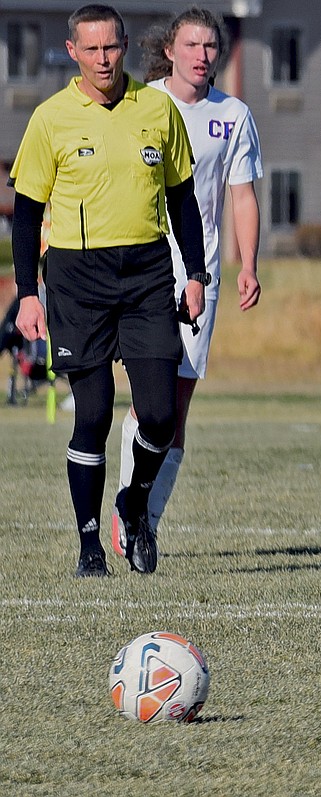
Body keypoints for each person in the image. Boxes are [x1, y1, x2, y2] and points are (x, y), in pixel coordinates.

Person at [9, 3, 207, 577]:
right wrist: (28, 293)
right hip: (76, 278)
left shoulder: (158, 108)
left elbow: (182, 201)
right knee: (91, 415)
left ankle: (136, 505)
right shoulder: (50, 119)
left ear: (125, 46)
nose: (103, 59)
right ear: (73, 51)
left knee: (160, 415)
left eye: (112, 48)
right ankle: (89, 543)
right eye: (91, 49)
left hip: (147, 274)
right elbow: (25, 216)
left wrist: (194, 273)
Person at [111, 6, 263, 555]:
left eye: (211, 47)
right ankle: (128, 506)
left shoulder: (234, 116)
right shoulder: (141, 104)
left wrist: (248, 263)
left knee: (177, 403)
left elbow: (241, 194)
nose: (202, 55)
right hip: (144, 269)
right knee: (147, 396)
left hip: (204, 276)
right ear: (169, 50)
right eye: (191, 45)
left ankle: (144, 519)